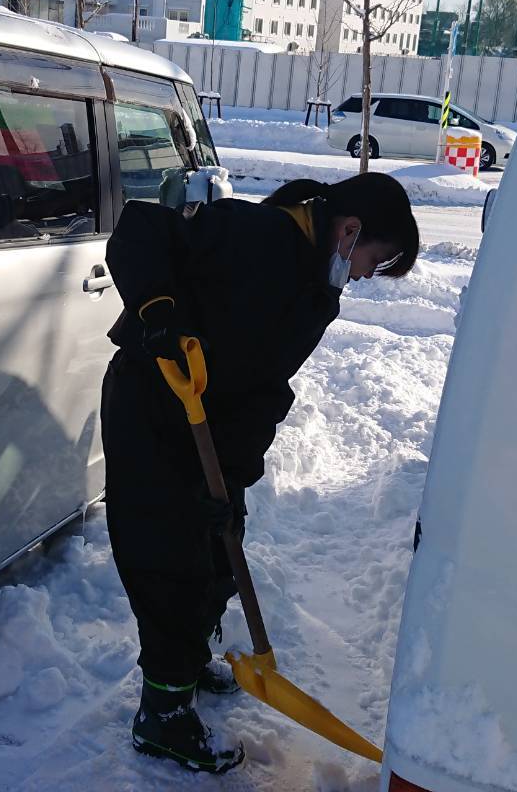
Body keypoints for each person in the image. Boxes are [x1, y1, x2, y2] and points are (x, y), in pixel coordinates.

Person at [100, 173, 420, 773]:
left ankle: (188, 664)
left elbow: (265, 386)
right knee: (170, 559)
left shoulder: (314, 289)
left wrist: (235, 471)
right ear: (351, 232)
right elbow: (139, 228)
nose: (359, 277)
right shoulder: (254, 231)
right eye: (372, 264)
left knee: (218, 547)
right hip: (153, 406)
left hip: (210, 427)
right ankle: (163, 715)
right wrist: (158, 309)